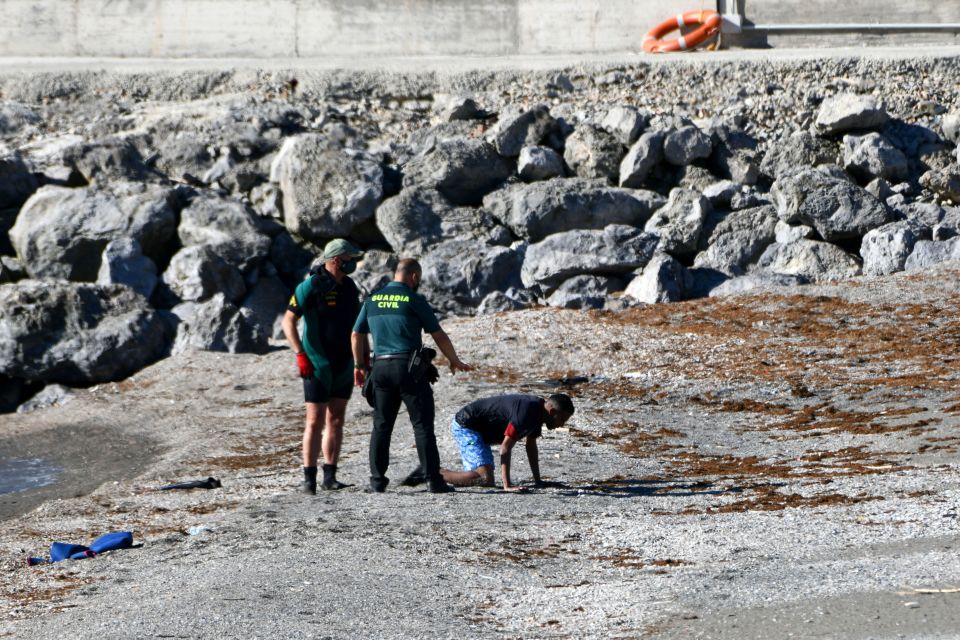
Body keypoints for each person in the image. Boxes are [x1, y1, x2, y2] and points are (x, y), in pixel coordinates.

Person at [350, 258, 472, 494]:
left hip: (381, 368)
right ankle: (433, 480)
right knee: (422, 425)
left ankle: (377, 481)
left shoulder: (372, 300)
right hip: (408, 368)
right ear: (414, 277)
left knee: (382, 426)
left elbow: (356, 335)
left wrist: (359, 365)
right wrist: (453, 360)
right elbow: (439, 334)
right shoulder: (414, 300)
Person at [282, 239, 368, 494]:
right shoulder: (310, 286)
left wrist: (363, 359)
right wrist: (300, 354)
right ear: (334, 259)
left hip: (344, 362)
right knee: (314, 421)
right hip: (317, 364)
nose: (353, 263)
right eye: (349, 258)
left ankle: (330, 476)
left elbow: (359, 327)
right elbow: (288, 321)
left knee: (337, 419)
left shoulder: (350, 287)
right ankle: (308, 479)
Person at [435, 393, 575, 491]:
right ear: (551, 412)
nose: (562, 425)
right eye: (562, 419)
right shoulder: (527, 412)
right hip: (467, 426)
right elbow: (505, 448)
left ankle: (436, 473)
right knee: (485, 478)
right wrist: (507, 485)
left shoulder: (539, 413)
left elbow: (530, 446)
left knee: (483, 477)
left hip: (481, 432)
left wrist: (538, 481)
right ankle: (433, 473)